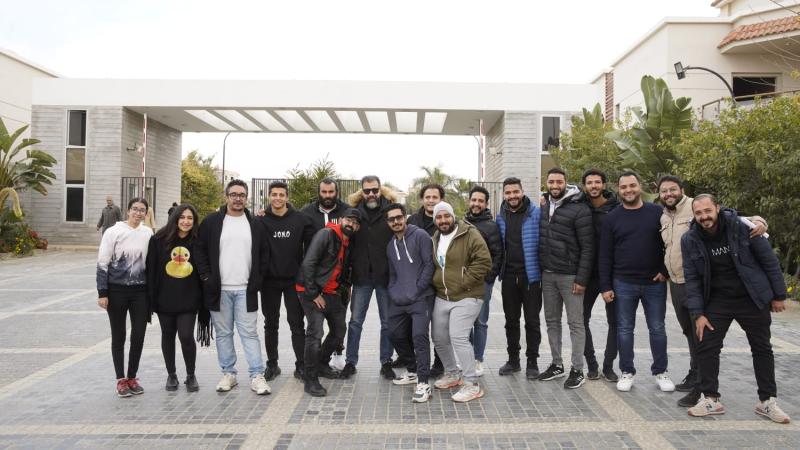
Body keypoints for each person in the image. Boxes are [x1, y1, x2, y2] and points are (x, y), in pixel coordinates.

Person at [658, 175, 767, 407]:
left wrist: (758, 221)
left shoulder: (696, 206)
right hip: (676, 283)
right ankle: (695, 376)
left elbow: (733, 217)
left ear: (681, 190)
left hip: (700, 284)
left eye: (672, 189)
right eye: (664, 191)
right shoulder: (663, 215)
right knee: (690, 332)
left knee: (703, 337)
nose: (668, 194)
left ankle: (701, 389)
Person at [682, 194, 790, 424]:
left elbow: (769, 260)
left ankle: (767, 401)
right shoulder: (690, 239)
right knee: (707, 346)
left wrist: (779, 295)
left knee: (762, 348)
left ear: (717, 208)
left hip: (751, 298)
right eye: (698, 213)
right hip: (717, 300)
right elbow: (692, 279)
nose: (704, 216)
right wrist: (698, 314)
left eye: (707, 211)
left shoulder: (742, 227)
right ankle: (710, 399)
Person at [194, 179, 271, 395]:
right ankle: (229, 373)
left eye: (242, 195)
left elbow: (264, 254)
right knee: (223, 334)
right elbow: (199, 250)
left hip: (246, 290)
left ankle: (257, 375)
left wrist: (258, 280)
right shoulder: (212, 222)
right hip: (219, 290)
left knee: (249, 334)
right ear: (226, 196)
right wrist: (206, 277)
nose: (238, 198)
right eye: (234, 194)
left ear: (246, 198)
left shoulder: (255, 223)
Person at [599, 171, 674, 393]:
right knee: (624, 329)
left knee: (657, 328)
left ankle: (661, 371)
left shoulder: (657, 212)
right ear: (618, 189)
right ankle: (627, 371)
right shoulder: (612, 218)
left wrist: (665, 271)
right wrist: (606, 286)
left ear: (639, 186)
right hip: (623, 283)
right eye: (623, 187)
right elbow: (605, 254)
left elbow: (671, 243)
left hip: (654, 283)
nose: (628, 190)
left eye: (632, 185)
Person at [430, 202, 492, 402]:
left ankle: (471, 384)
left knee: (458, 337)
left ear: (452, 216)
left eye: (446, 216)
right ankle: (452, 373)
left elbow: (484, 261)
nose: (443, 220)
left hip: (468, 294)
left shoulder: (469, 233)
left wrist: (464, 282)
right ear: (435, 220)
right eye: (439, 217)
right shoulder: (435, 238)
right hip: (443, 295)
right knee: (439, 337)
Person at [296, 208, 362, 396]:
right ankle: (310, 378)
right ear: (341, 219)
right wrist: (313, 293)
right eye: (348, 220)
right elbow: (308, 263)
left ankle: (321, 363)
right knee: (315, 332)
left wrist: (345, 289)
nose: (351, 224)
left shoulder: (348, 241)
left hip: (332, 292)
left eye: (355, 223)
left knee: (339, 330)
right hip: (311, 291)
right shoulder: (327, 234)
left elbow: (343, 269)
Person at [538, 168, 593, 389]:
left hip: (570, 276)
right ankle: (556, 364)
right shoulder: (544, 206)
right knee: (552, 321)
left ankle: (577, 369)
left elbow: (588, 247)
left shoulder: (580, 208)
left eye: (559, 181)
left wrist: (582, 279)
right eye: (551, 181)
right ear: (547, 183)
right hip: (548, 275)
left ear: (566, 183)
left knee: (575, 324)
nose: (555, 185)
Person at [146, 203, 209, 392]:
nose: (186, 221)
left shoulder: (198, 241)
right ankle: (171, 374)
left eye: (190, 218)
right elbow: (151, 270)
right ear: (175, 219)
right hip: (165, 298)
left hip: (189, 298)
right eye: (182, 217)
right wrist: (151, 298)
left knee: (186, 336)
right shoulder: (158, 240)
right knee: (168, 335)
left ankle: (191, 375)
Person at [340, 175, 397, 380]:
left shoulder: (391, 210)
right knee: (355, 322)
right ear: (361, 191)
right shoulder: (353, 212)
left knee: (387, 322)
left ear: (380, 189)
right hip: (361, 276)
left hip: (385, 276)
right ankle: (350, 362)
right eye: (367, 190)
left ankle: (386, 362)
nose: (371, 194)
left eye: (374, 190)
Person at [96, 197, 153, 397]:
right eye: (135, 209)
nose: (138, 213)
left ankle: (132, 377)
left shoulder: (148, 233)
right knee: (118, 335)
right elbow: (102, 263)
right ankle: (120, 380)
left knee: (138, 335)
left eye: (142, 210)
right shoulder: (113, 232)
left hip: (140, 292)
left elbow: (152, 263)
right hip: (116, 291)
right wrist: (102, 293)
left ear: (146, 213)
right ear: (128, 211)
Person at [259, 181, 315, 381]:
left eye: (281, 195)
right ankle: (272, 365)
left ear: (287, 197)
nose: (277, 198)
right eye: (274, 194)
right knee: (270, 324)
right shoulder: (260, 220)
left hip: (293, 281)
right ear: (269, 196)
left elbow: (313, 245)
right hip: (269, 281)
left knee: (297, 324)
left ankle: (301, 365)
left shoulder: (300, 219)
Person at [384, 203, 436, 402]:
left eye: (399, 217)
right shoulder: (390, 246)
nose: (396, 222)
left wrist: (417, 289)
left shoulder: (420, 235)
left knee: (419, 337)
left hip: (422, 297)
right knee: (394, 333)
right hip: (399, 299)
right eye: (391, 219)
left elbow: (429, 265)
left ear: (405, 217)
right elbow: (392, 274)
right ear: (388, 222)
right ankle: (412, 371)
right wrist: (393, 291)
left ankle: (423, 383)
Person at [300, 178, 350, 370]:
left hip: (336, 285)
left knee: (339, 327)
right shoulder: (306, 213)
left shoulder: (346, 212)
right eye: (324, 192)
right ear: (319, 192)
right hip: (312, 283)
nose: (327, 195)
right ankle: (310, 369)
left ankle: (334, 356)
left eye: (331, 192)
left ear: (337, 192)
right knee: (315, 330)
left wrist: (347, 282)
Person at [496, 177, 542, 378]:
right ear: (504, 194)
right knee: (511, 322)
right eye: (508, 192)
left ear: (522, 192)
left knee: (532, 322)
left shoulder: (536, 213)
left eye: (516, 192)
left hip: (531, 277)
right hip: (508, 277)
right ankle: (513, 361)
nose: (512, 196)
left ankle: (532, 362)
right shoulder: (500, 216)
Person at [578, 169, 619, 382]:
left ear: (603, 184)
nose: (593, 186)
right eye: (589, 182)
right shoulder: (579, 206)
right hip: (586, 274)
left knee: (616, 321)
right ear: (584, 186)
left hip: (612, 275)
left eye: (597, 182)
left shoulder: (616, 209)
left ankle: (609, 365)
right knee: (580, 320)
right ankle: (592, 364)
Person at [402, 183, 446, 376]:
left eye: (435, 197)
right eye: (427, 197)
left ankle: (439, 363)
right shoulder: (412, 221)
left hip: (439, 280)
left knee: (438, 326)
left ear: (441, 199)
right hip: (415, 281)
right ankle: (417, 362)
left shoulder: (445, 220)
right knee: (416, 327)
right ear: (422, 199)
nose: (431, 200)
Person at [464, 185, 503, 377]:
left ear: (486, 204)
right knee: (465, 321)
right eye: (474, 200)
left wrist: (488, 278)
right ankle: (468, 357)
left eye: (480, 201)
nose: (476, 204)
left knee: (480, 322)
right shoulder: (461, 223)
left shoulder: (491, 226)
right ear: (469, 201)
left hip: (482, 283)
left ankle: (478, 359)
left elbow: (498, 254)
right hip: (463, 283)